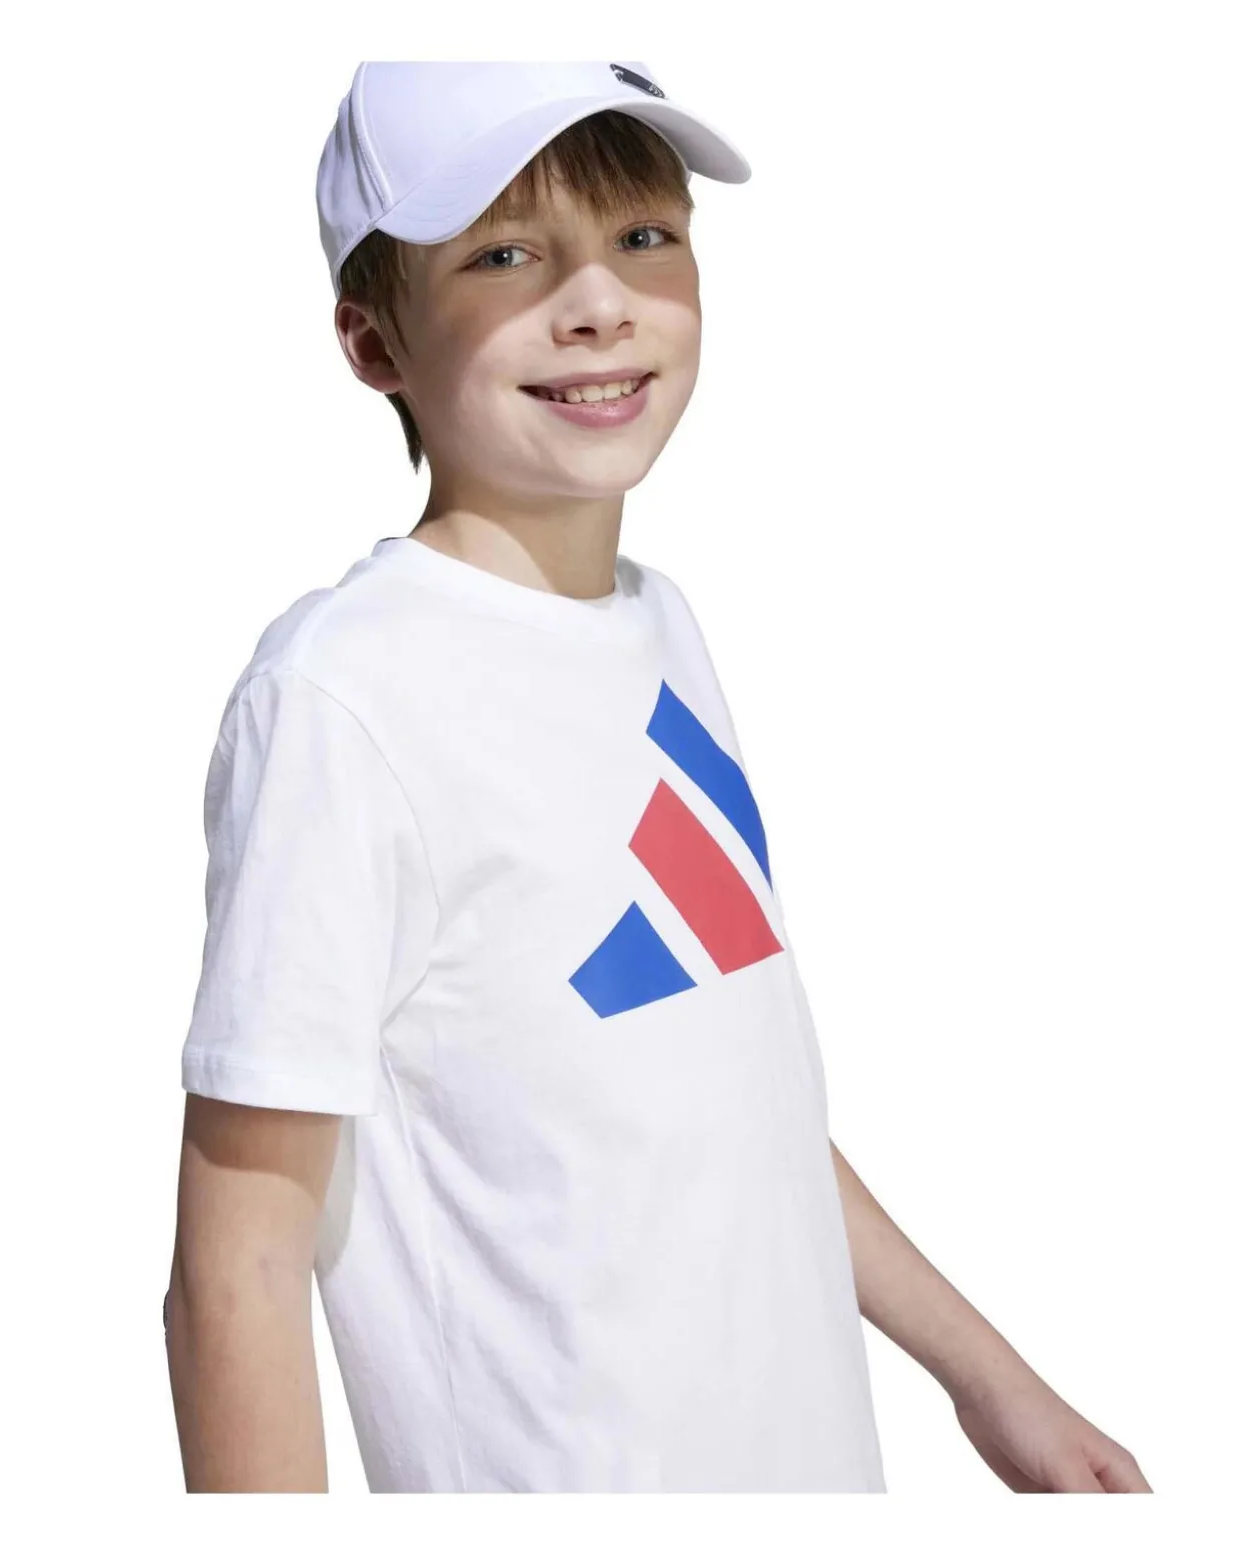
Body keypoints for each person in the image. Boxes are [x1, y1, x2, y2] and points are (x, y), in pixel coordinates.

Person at [164, 60, 1151, 1494]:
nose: (599, 302)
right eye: (505, 256)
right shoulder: (342, 698)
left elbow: (729, 1100)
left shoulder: (658, 624)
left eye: (644, 236)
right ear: (375, 342)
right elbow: (237, 1266)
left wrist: (992, 1381)